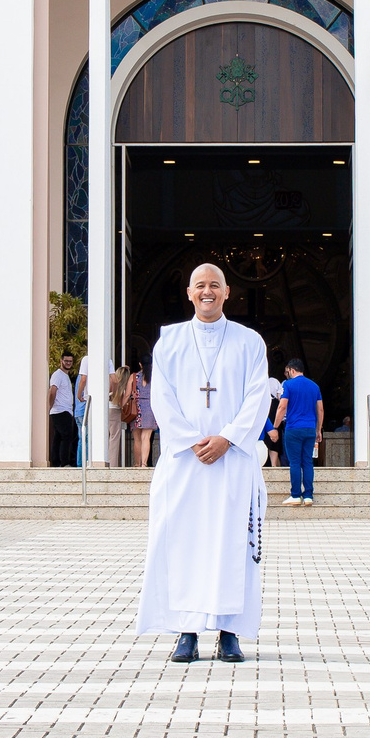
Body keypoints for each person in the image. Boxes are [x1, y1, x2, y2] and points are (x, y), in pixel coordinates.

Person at [137, 264, 271, 664]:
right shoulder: (171, 341)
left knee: (231, 545)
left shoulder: (250, 342)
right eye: (201, 286)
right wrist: (193, 440)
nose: (208, 291)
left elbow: (257, 396)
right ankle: (187, 632)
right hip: (186, 462)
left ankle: (229, 633)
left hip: (232, 461)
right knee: (184, 545)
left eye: (215, 285)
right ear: (190, 293)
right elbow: (161, 397)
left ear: (228, 292)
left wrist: (227, 438)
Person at [276, 357, 323, 505]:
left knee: (295, 462)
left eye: (287, 371)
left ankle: (296, 495)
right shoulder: (314, 386)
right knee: (307, 462)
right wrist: (319, 429)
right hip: (310, 428)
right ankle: (308, 495)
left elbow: (282, 406)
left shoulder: (288, 385)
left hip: (294, 428)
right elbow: (320, 409)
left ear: (292, 370)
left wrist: (275, 426)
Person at [46, 352, 78, 467]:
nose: (68, 363)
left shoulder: (65, 376)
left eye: (70, 361)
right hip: (60, 410)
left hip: (66, 411)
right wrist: (50, 405)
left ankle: (56, 462)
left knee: (59, 437)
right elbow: (52, 390)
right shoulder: (58, 375)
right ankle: (64, 462)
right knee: (67, 436)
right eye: (66, 361)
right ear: (61, 361)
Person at [132, 348, 160, 467]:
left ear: (140, 364)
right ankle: (144, 464)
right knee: (146, 438)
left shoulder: (134, 377)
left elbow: (128, 393)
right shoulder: (156, 377)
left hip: (136, 408)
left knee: (137, 439)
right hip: (150, 407)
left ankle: (137, 463)